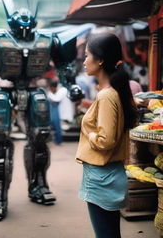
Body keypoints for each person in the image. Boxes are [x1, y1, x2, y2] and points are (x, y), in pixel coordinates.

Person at [76, 33, 138, 238]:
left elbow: (106, 140)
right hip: (109, 174)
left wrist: (89, 131)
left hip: (101, 176)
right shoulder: (114, 92)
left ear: (100, 60)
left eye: (87, 56)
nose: (84, 61)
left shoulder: (107, 95)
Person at [48, 80, 67, 145]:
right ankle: (55, 140)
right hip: (53, 111)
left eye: (51, 88)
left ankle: (58, 140)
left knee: (57, 126)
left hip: (56, 111)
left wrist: (50, 93)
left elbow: (56, 99)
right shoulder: (55, 92)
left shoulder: (61, 90)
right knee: (54, 126)